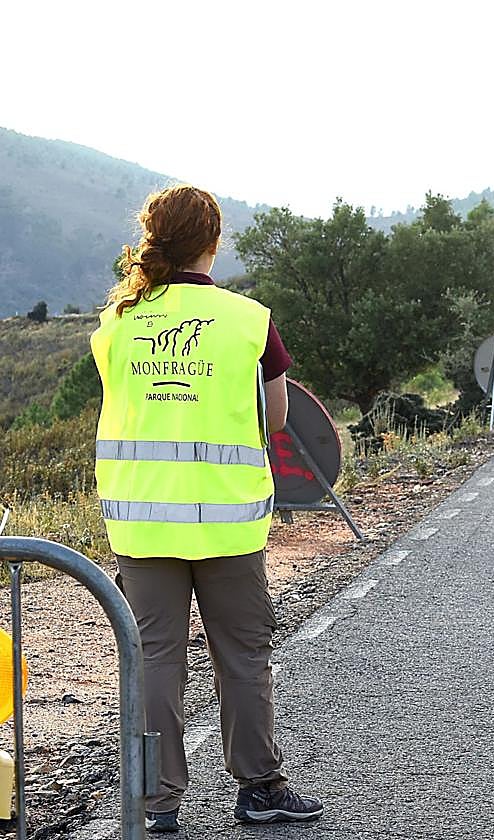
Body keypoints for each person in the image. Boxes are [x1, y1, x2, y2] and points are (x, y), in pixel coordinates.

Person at [91, 185, 324, 832]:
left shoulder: (116, 323)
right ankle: (260, 789)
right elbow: (274, 416)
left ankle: (156, 805)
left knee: (156, 660)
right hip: (227, 520)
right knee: (242, 657)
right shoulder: (248, 319)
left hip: (141, 520)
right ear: (214, 241)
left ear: (151, 239)